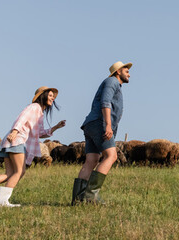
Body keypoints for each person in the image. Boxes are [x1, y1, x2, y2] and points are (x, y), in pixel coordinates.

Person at [0, 87, 66, 207]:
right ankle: (1, 201)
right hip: (17, 140)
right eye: (50, 95)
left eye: (53, 96)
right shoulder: (34, 107)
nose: (53, 98)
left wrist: (56, 127)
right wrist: (14, 131)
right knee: (20, 171)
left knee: (9, 174)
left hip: (13, 141)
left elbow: (39, 133)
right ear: (42, 96)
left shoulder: (40, 112)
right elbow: (21, 118)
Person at [71, 61, 131, 205]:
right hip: (100, 123)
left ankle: (78, 200)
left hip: (91, 124)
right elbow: (106, 102)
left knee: (91, 161)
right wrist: (108, 125)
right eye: (126, 70)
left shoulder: (113, 84)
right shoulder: (112, 82)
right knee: (111, 156)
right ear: (118, 72)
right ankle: (91, 196)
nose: (129, 73)